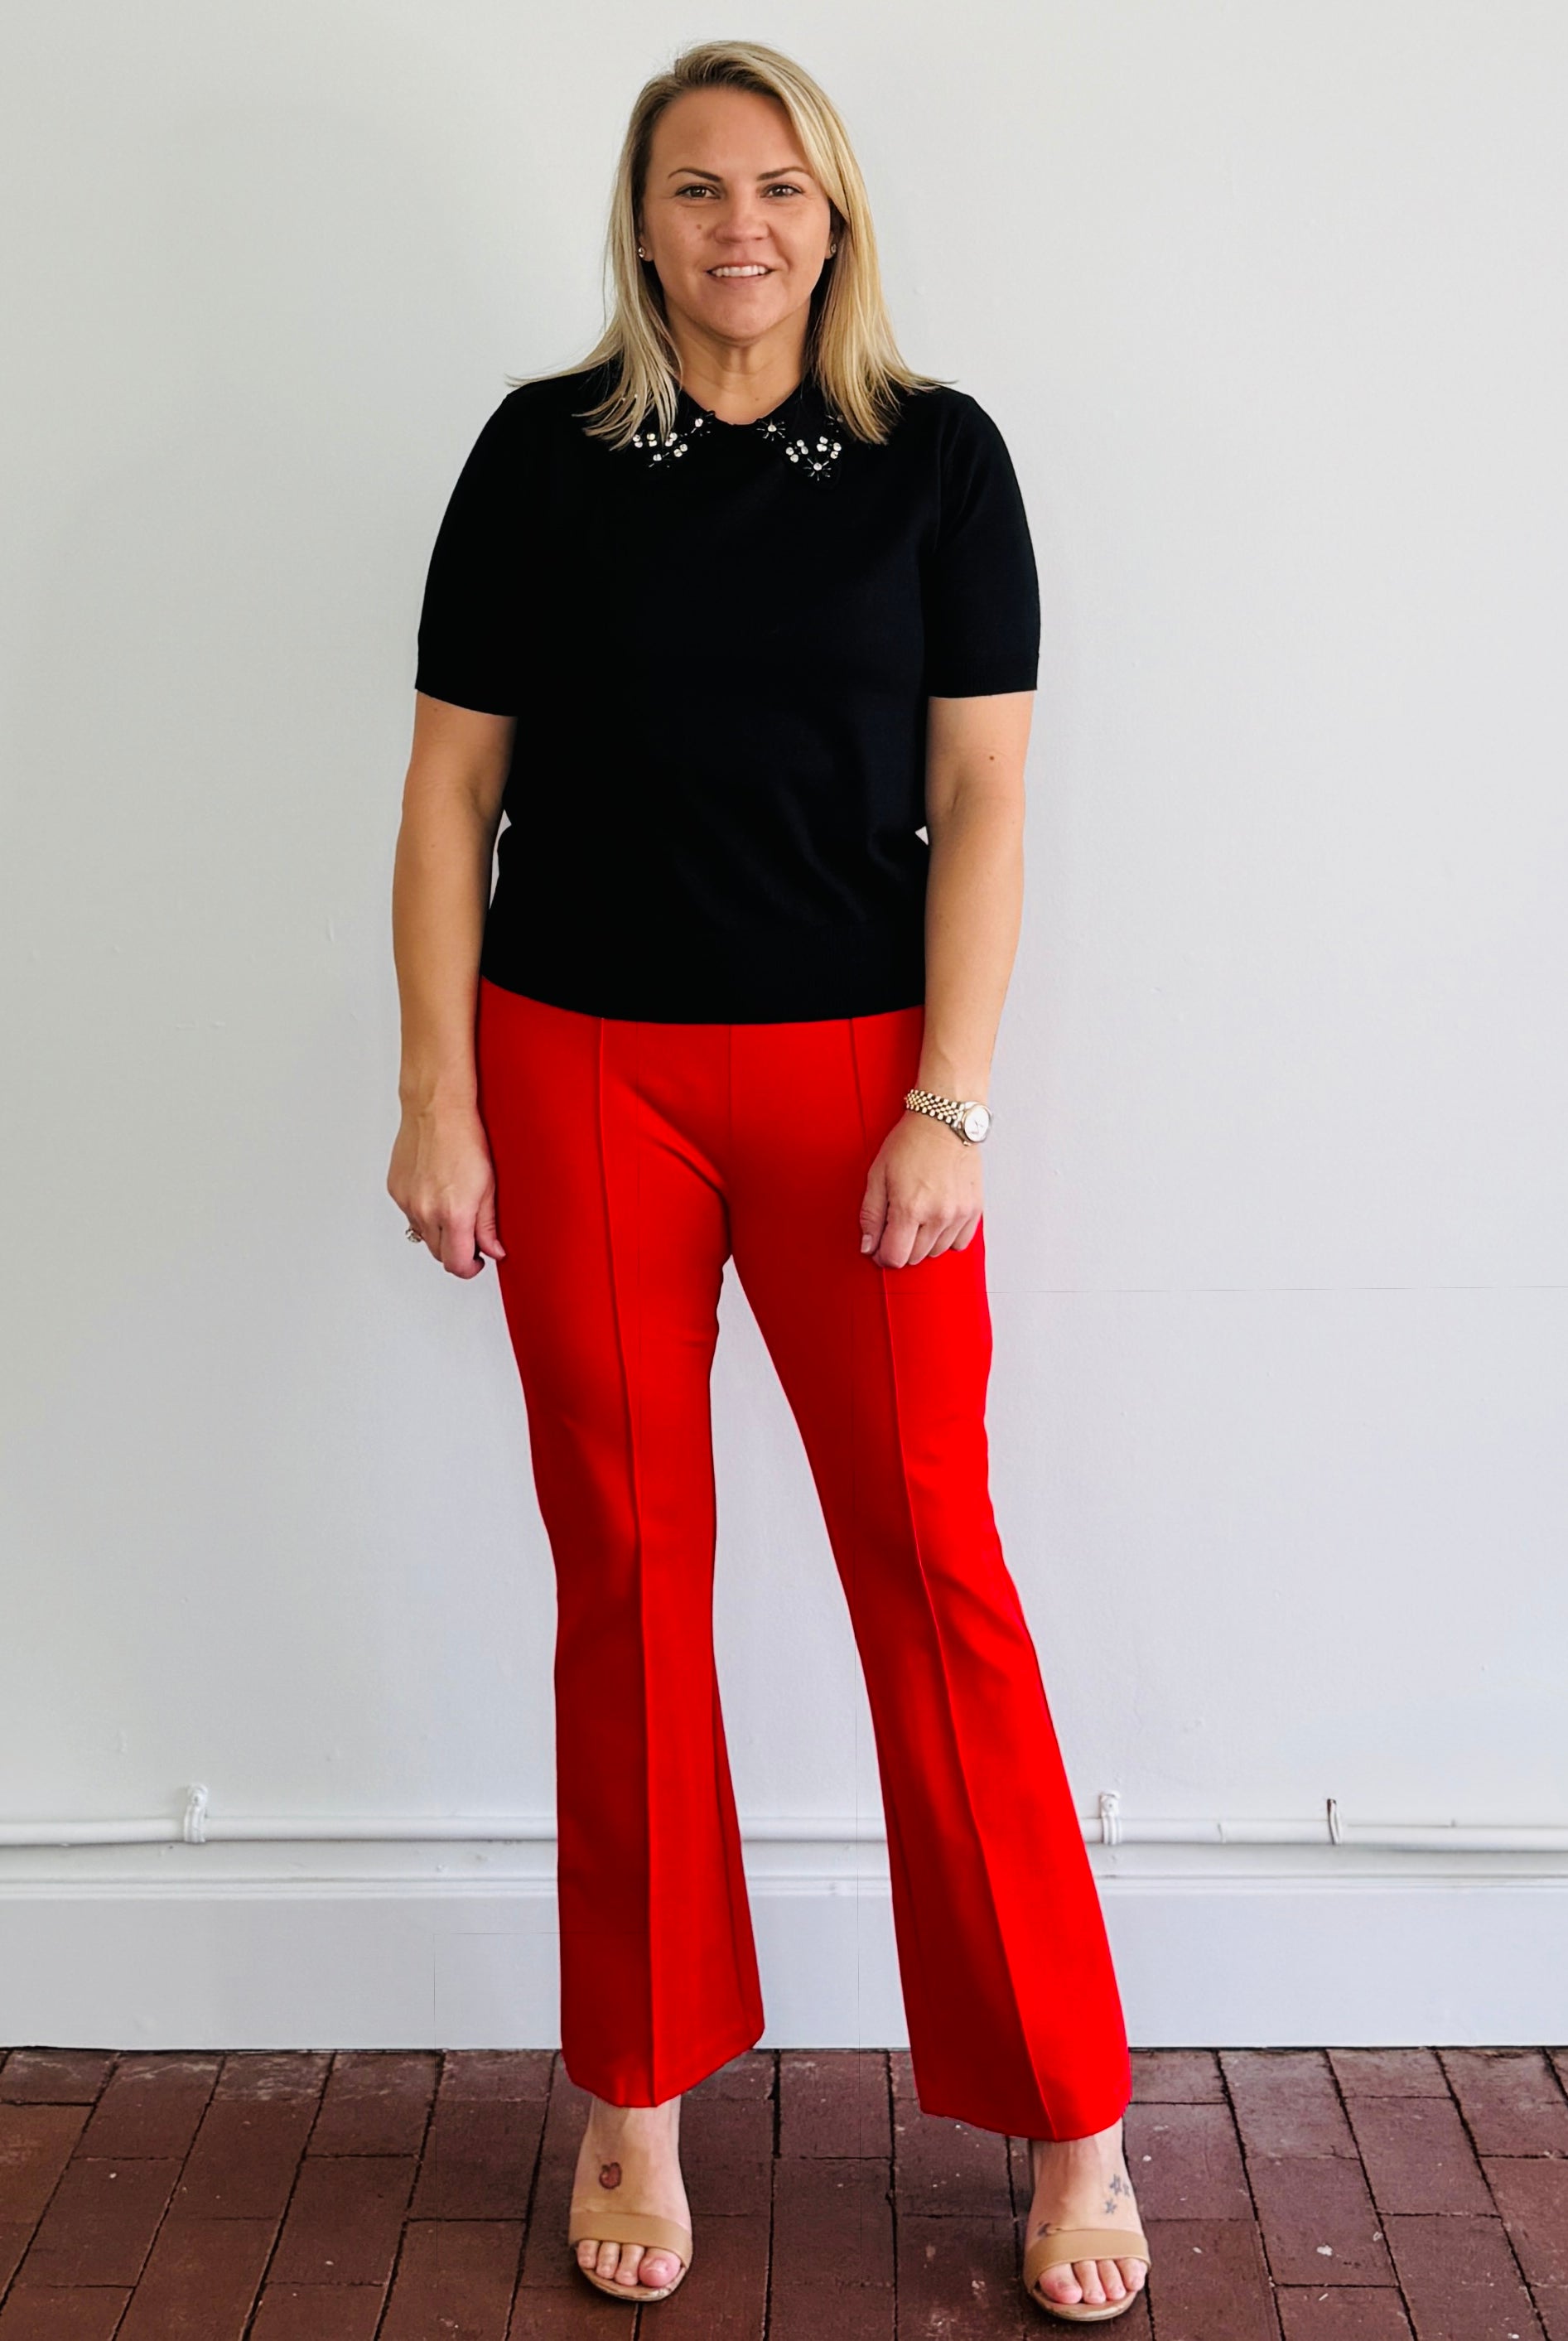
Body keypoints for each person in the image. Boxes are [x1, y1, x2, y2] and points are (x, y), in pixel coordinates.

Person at [387, 37, 1151, 2326]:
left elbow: (986, 797)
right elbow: (449, 797)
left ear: (838, 217)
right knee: (628, 1571)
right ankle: (634, 2084)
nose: (743, 226)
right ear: (641, 223)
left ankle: (1070, 2107)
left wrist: (954, 1097)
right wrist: (440, 1091)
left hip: (854, 1086)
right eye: (700, 187)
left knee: (934, 1566)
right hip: (580, 1068)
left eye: (782, 187)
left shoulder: (937, 460)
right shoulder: (543, 455)